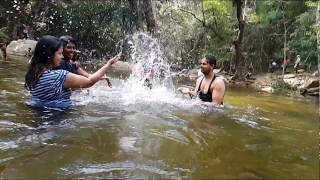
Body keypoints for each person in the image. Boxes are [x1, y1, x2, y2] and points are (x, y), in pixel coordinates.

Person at [25, 35, 119, 110]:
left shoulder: (32, 75)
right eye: (59, 53)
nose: (61, 57)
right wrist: (108, 65)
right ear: (50, 55)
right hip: (60, 119)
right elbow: (89, 81)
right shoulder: (59, 76)